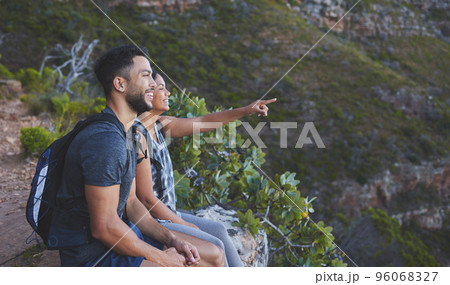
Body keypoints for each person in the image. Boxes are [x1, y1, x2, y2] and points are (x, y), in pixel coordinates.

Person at [57, 45, 224, 267]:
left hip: (121, 236)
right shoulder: (106, 141)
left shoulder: (126, 132)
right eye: (145, 75)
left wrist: (172, 239)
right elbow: (104, 227)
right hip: (95, 256)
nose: (154, 84)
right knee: (188, 265)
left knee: (213, 255)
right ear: (120, 84)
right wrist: (163, 258)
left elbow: (133, 203)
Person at [134, 72, 276, 267]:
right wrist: (185, 225)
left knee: (217, 229)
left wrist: (245, 110)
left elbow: (202, 122)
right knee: (214, 244)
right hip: (155, 221)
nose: (168, 93)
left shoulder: (159, 124)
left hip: (169, 213)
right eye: (161, 88)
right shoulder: (138, 134)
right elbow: (146, 199)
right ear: (147, 94)